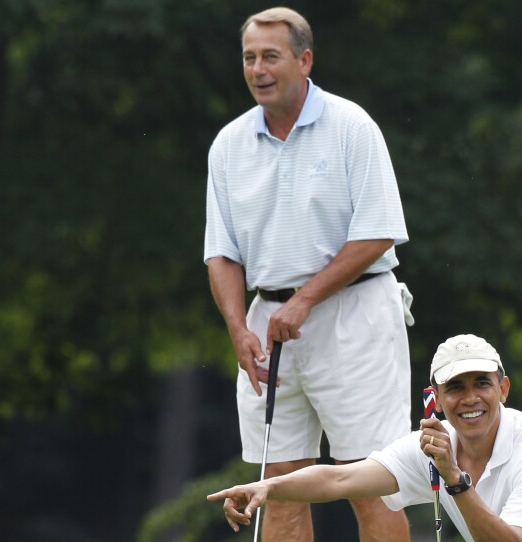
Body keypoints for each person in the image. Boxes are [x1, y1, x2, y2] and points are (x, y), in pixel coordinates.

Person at [203, 6, 413, 541]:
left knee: (372, 482)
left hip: (355, 316)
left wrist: (305, 300)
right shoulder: (228, 145)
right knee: (278, 487)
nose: (257, 69)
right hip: (268, 324)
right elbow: (222, 254)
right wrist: (236, 327)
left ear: (305, 60)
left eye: (270, 57)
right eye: (249, 58)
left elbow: (378, 232)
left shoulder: (350, 125)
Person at [208, 334, 522, 542]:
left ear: (503, 389)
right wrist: (268, 486)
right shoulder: (432, 444)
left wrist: (454, 481)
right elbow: (340, 479)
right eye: (455, 387)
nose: (470, 399)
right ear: (435, 397)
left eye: (481, 384)